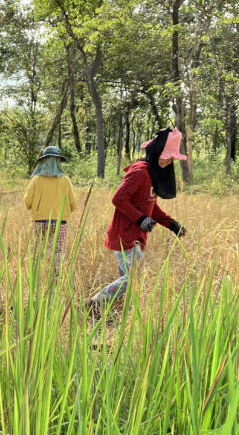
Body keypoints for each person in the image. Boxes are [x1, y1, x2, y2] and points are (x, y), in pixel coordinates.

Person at [87, 127, 187, 312]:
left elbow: (151, 206)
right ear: (157, 153)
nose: (171, 161)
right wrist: (140, 219)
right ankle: (94, 303)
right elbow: (118, 198)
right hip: (124, 235)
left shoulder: (152, 174)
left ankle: (119, 311)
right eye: (169, 156)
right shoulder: (140, 172)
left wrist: (171, 224)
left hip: (135, 236)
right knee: (134, 277)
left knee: (131, 279)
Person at [23, 145, 77, 274]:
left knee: (40, 249)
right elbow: (73, 203)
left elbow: (27, 202)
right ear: (58, 161)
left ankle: (40, 275)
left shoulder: (36, 180)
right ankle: (56, 275)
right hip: (60, 222)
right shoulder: (65, 180)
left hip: (39, 221)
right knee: (58, 251)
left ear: (43, 161)